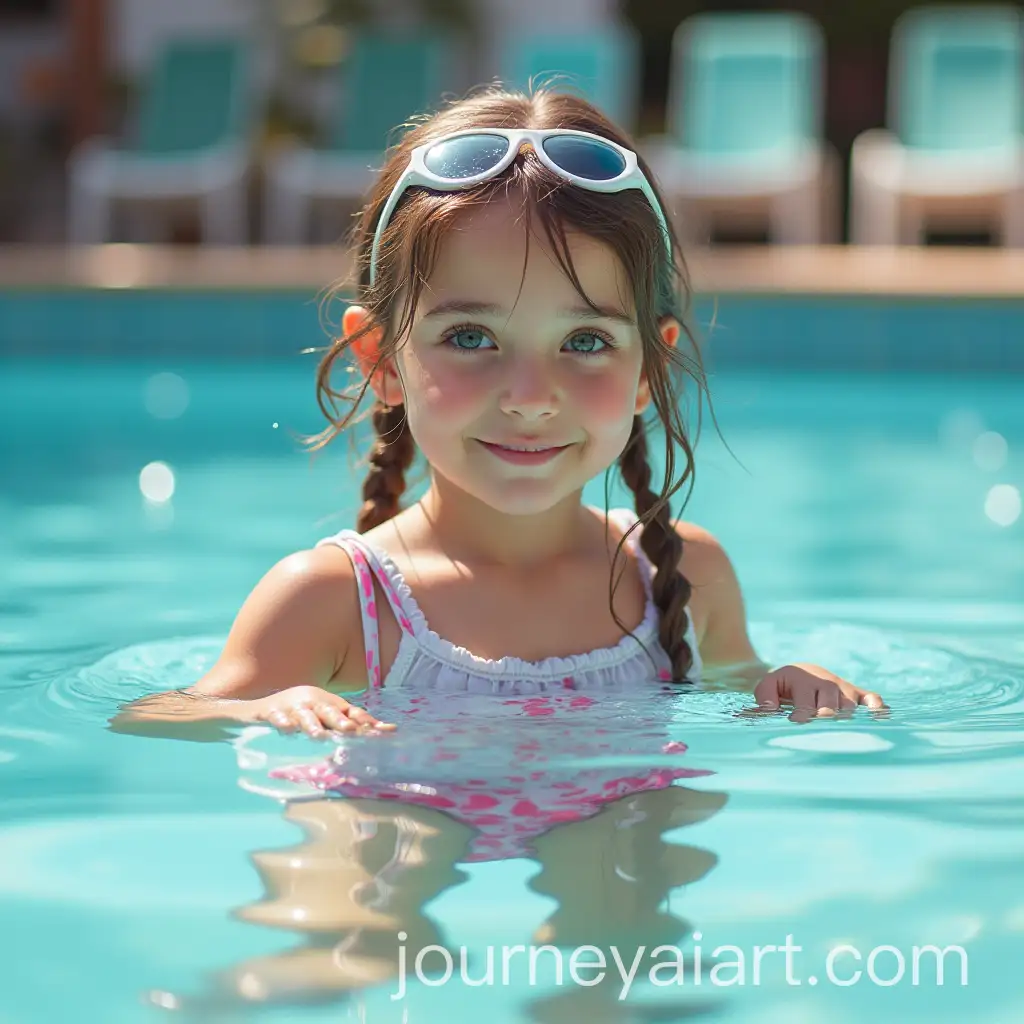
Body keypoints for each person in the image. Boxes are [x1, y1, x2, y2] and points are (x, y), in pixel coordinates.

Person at [113, 84, 887, 847]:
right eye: (471, 338)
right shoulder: (335, 600)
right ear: (380, 361)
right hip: (385, 816)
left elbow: (736, 688)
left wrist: (790, 684)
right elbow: (154, 716)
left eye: (585, 342)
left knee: (622, 850)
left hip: (611, 836)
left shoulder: (682, 575)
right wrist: (260, 710)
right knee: (380, 867)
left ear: (649, 370)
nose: (528, 398)